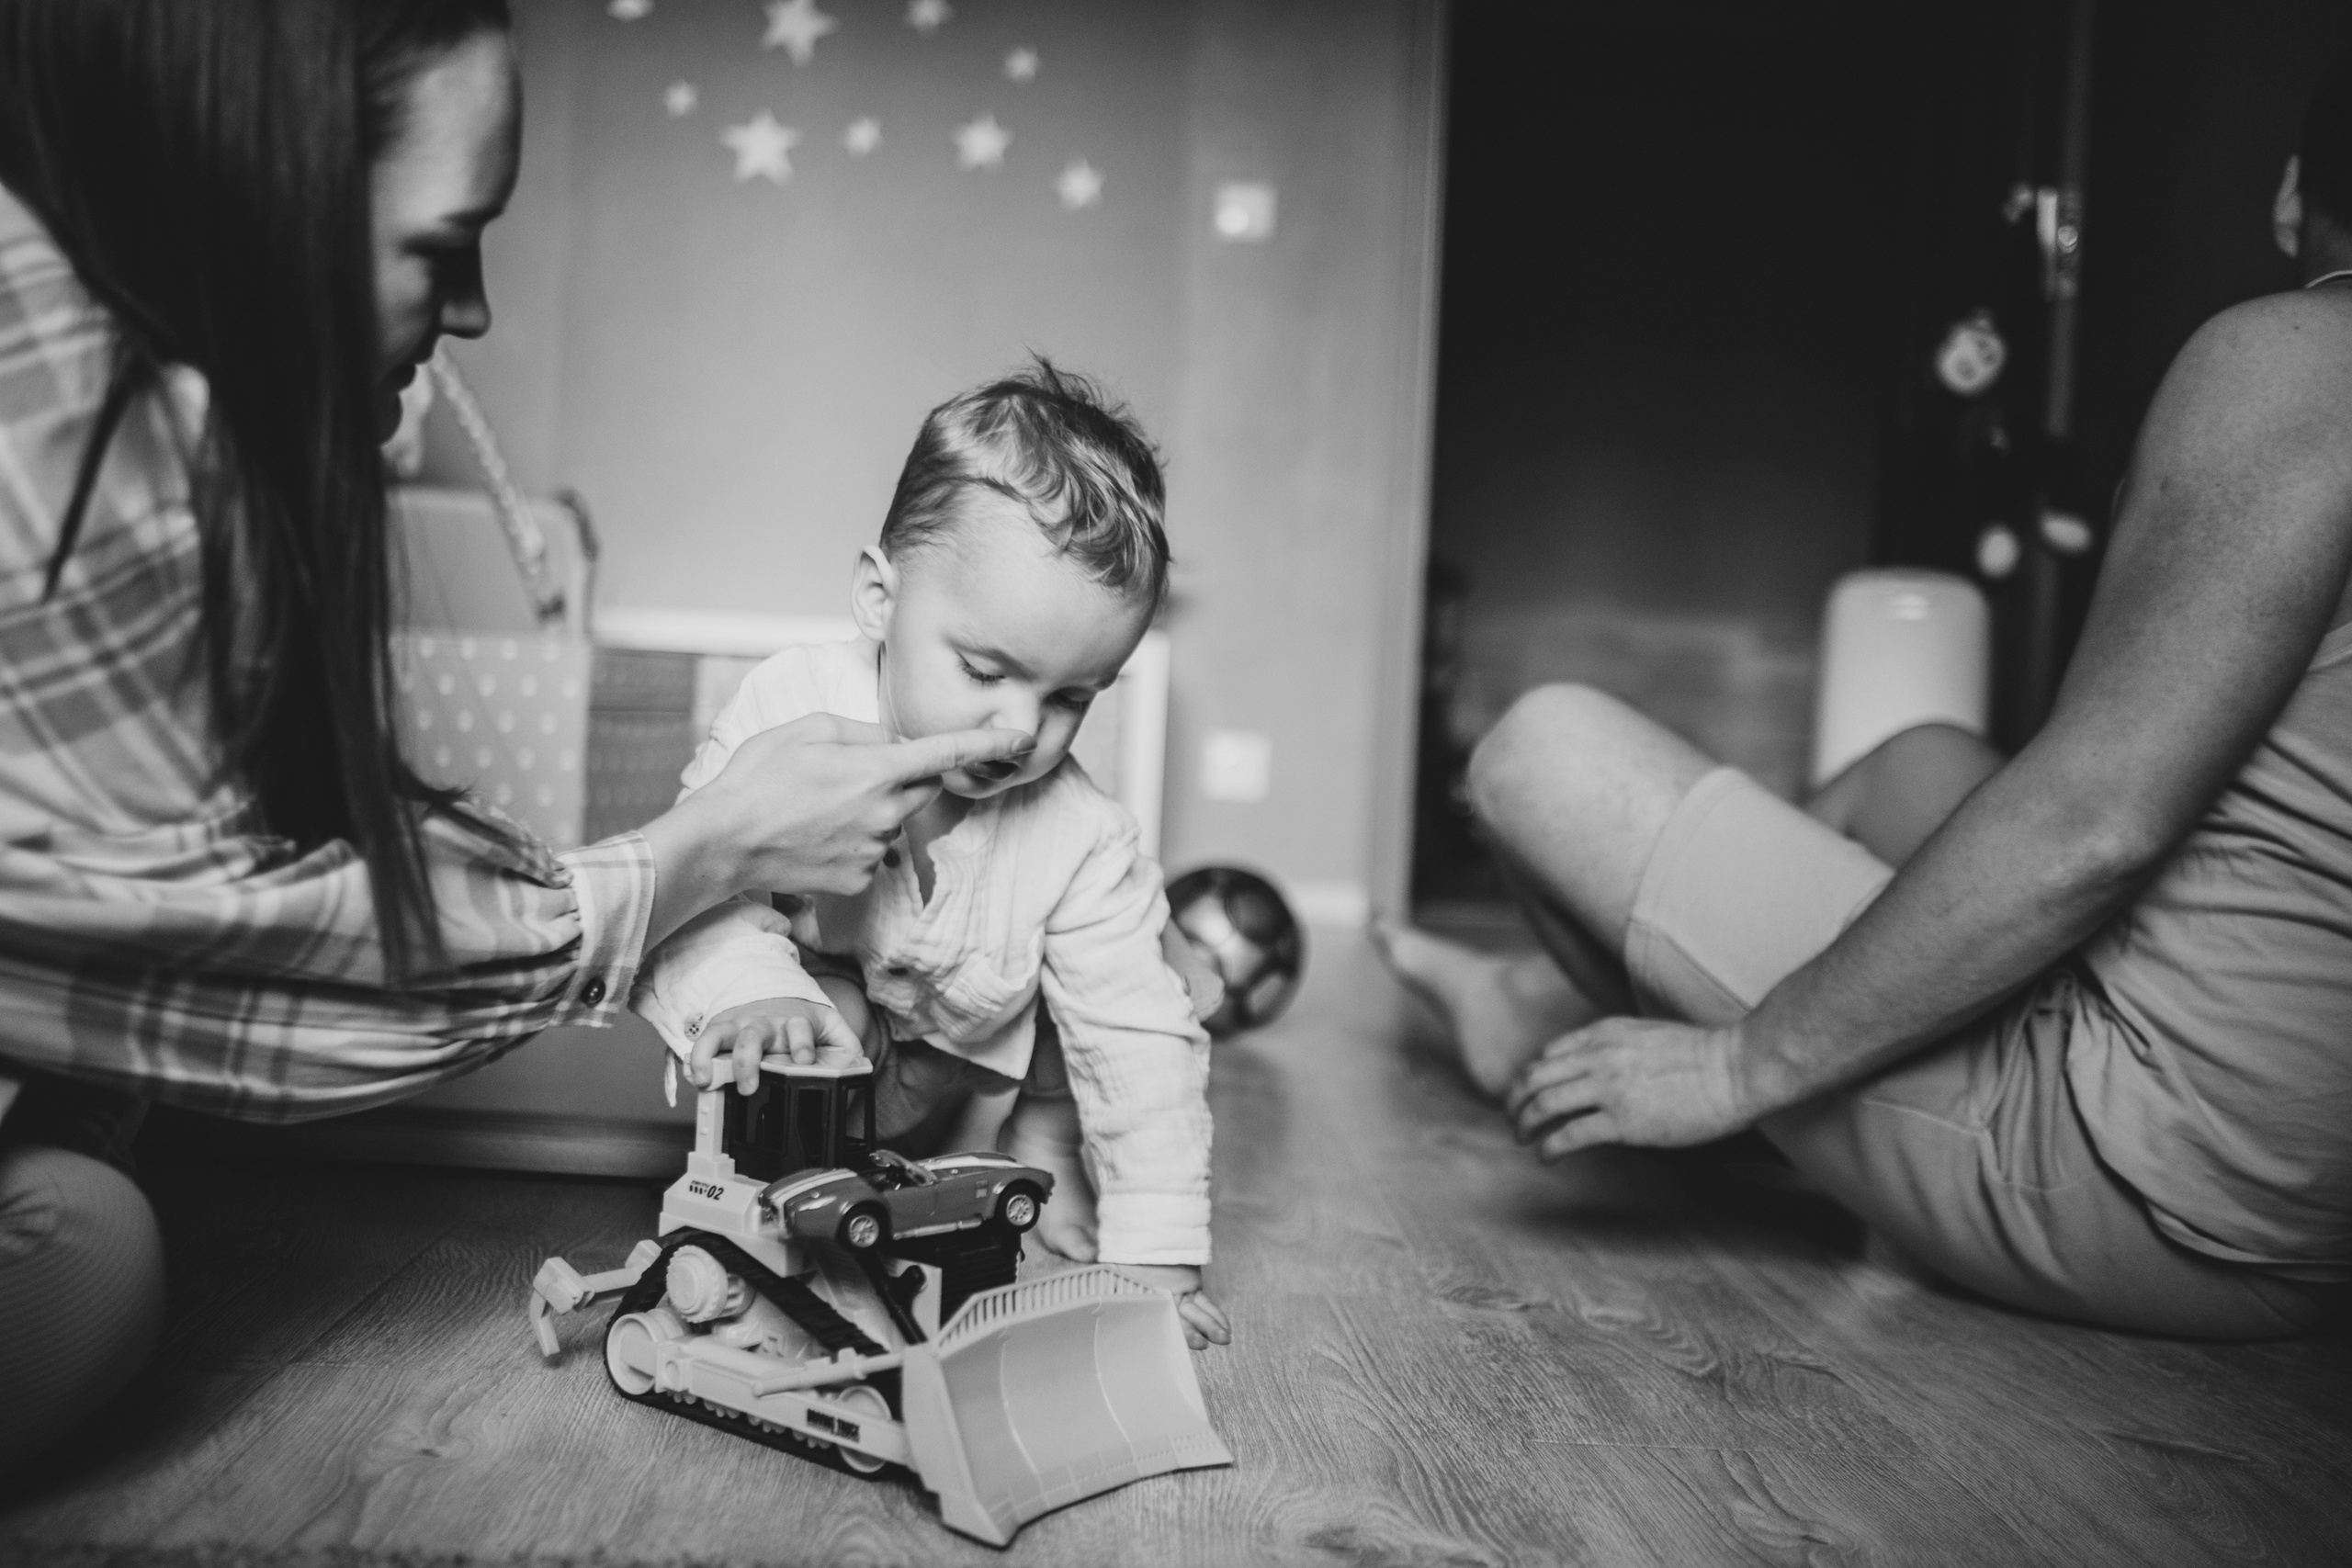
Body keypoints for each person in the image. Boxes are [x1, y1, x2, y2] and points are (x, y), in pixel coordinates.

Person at [0, 0, 1029, 1474]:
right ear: (251, 181)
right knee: (93, 1253)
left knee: (91, 1228)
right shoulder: (67, 417)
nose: (473, 309)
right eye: (439, 244)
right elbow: (235, 950)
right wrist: (711, 850)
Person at [1376, 48, 2352, 1342]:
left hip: (2153, 1176)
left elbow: (2096, 825)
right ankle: (1584, 1014)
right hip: (2295, 1174)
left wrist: (1744, 1061)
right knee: (1918, 759)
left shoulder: (2294, 358)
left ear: (2294, 197)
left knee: (1540, 750)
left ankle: (1622, 1039)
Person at [635, 362, 1232, 1352]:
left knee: (1135, 984)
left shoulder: (1080, 826)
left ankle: (1047, 1146)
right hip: (833, 1060)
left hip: (969, 1074)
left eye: (1072, 698)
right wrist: (748, 990)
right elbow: (702, 887)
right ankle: (799, 1200)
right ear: (879, 598)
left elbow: (1134, 1040)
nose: (1020, 730)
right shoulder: (795, 717)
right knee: (818, 1012)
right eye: (984, 671)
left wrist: (1159, 1256)